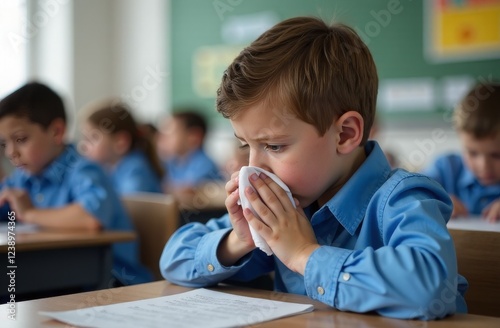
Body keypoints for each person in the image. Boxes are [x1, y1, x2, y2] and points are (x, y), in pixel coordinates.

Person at [159, 17, 468, 320]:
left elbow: (429, 288)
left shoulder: (404, 197)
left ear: (345, 134)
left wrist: (303, 254)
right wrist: (241, 240)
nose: (254, 166)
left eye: (275, 146)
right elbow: (174, 258)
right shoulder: (290, 206)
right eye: (245, 145)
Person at [0, 82, 152, 285]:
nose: (10, 152)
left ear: (56, 131)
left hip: (109, 280)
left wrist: (29, 213)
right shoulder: (23, 178)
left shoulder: (84, 170)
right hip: (57, 273)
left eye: (20, 139)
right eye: (4, 144)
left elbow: (91, 217)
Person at [422, 83, 500, 222]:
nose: (484, 166)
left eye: (496, 155)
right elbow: (408, 194)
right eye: (472, 153)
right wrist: (434, 200)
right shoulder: (446, 167)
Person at [80, 100, 164, 195]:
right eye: (85, 138)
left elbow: (126, 205)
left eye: (93, 138)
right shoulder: (111, 168)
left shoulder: (136, 171)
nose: (85, 145)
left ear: (121, 142)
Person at [156, 110, 224, 204]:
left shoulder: (205, 165)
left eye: (172, 133)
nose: (164, 138)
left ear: (193, 137)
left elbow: (187, 191)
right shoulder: (172, 162)